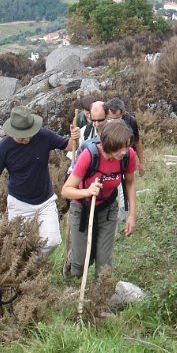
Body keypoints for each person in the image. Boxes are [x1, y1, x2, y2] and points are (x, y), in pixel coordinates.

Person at [0, 105, 80, 260]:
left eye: (29, 134)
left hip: (46, 200)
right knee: (18, 248)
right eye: (22, 136)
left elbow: (70, 146)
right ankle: (24, 269)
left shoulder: (44, 136)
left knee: (53, 241)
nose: (26, 139)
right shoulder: (2, 148)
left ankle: (33, 264)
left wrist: (75, 136)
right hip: (19, 203)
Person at [60, 119, 138, 280]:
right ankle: (71, 262)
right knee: (80, 264)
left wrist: (131, 215)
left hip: (107, 209)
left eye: (126, 146)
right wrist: (87, 191)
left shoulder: (128, 156)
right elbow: (66, 191)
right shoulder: (90, 156)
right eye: (120, 147)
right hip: (82, 208)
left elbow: (130, 183)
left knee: (104, 264)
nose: (124, 152)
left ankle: (101, 292)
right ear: (109, 144)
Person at [104, 97, 144, 177]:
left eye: (117, 119)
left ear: (122, 113)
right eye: (110, 119)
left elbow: (137, 141)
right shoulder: (103, 123)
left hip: (126, 159)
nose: (114, 122)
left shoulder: (131, 121)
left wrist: (141, 162)